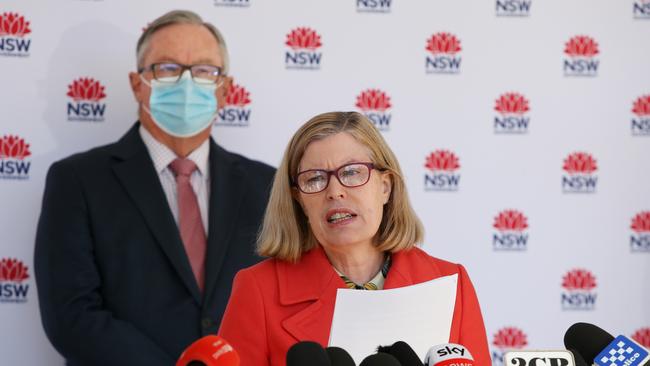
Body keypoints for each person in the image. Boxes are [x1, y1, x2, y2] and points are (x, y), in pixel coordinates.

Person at [34, 10, 274, 365]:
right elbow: (71, 315)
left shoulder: (267, 186)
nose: (187, 84)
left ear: (225, 90)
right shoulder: (77, 181)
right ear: (137, 83)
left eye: (205, 71)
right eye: (168, 68)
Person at [218, 111, 490, 366]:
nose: (335, 191)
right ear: (299, 200)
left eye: (351, 172)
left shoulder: (451, 283)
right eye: (314, 179)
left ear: (385, 187)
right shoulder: (258, 290)